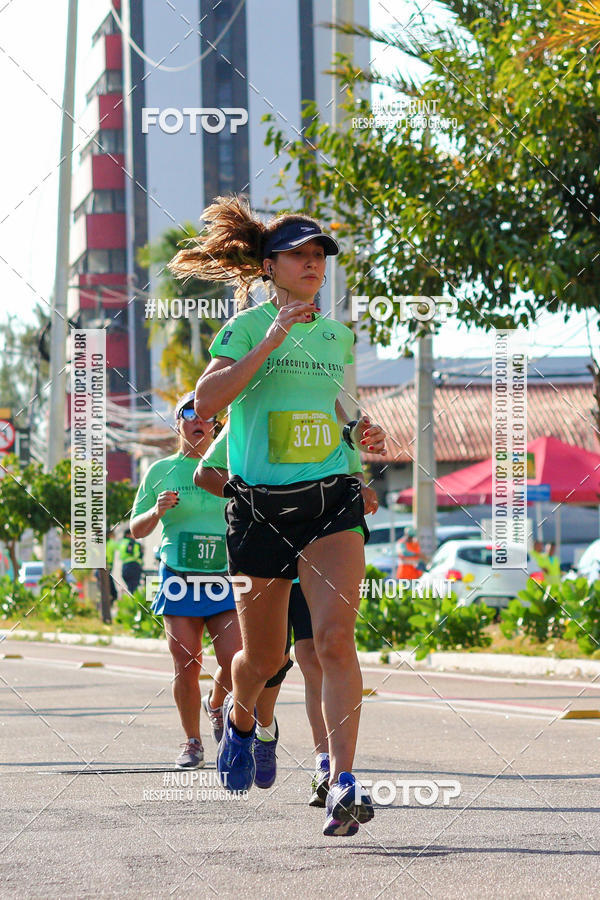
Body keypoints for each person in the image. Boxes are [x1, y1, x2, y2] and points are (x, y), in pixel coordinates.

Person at [169, 196, 387, 836]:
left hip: (329, 502)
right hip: (258, 509)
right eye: (300, 254)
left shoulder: (338, 335)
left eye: (320, 255)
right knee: (259, 659)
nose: (314, 263)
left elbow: (339, 411)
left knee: (334, 641)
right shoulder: (243, 329)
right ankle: (242, 720)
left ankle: (342, 781)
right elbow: (206, 401)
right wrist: (272, 338)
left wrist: (361, 437)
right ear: (269, 267)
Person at [196, 420, 379, 803]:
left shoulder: (324, 413)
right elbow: (208, 474)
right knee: (268, 662)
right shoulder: (256, 415)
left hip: (318, 559)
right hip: (267, 558)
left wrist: (361, 486)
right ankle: (244, 723)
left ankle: (329, 768)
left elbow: (351, 469)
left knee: (320, 653)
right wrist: (259, 503)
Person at [129, 391, 242, 769]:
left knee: (234, 659)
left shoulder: (232, 465)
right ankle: (192, 742)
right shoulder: (161, 471)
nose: (199, 421)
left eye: (207, 416)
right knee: (187, 662)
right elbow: (135, 529)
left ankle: (215, 704)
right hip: (178, 575)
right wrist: (157, 511)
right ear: (178, 423)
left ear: (217, 426)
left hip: (224, 578)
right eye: (189, 415)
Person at [118, 527, 144, 595]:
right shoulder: (134, 543)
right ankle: (134, 603)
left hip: (124, 567)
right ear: (128, 535)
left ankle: (131, 601)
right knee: (134, 588)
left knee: (130, 587)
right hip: (134, 567)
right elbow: (138, 555)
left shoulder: (121, 542)